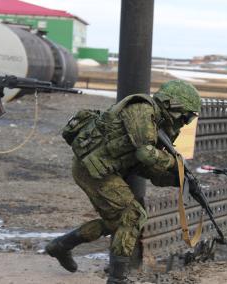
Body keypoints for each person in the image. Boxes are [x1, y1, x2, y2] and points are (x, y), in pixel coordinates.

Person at [45, 80, 201, 284]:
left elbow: (152, 171)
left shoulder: (161, 125)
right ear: (175, 105)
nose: (186, 122)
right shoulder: (141, 109)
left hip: (105, 170)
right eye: (187, 116)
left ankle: (61, 246)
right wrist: (177, 164)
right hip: (91, 169)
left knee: (115, 223)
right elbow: (146, 154)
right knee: (133, 215)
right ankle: (117, 279)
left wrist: (181, 180)